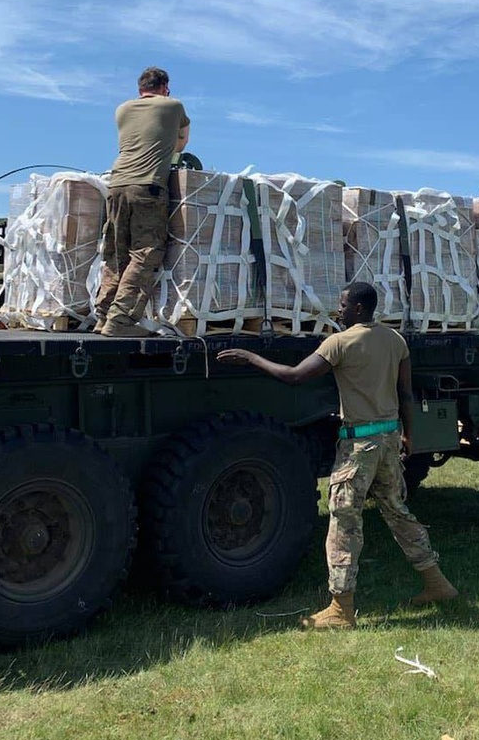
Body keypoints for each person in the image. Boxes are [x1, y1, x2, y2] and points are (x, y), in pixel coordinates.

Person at [217, 281, 457, 629]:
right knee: (397, 511)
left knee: (344, 521)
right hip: (388, 439)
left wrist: (250, 357)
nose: (338, 309)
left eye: (343, 304)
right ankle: (437, 583)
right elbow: (405, 393)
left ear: (358, 308)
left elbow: (295, 376)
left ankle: (341, 609)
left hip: (359, 447)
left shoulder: (340, 343)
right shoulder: (395, 340)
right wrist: (409, 435)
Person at [94, 66, 190, 338]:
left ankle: (102, 315)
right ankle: (120, 321)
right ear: (164, 87)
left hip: (117, 186)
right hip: (147, 188)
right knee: (145, 253)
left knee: (116, 253)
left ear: (140, 89)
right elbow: (181, 144)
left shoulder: (122, 109)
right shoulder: (173, 106)